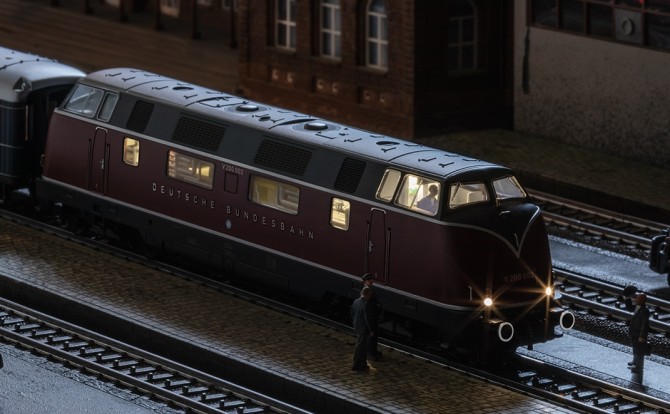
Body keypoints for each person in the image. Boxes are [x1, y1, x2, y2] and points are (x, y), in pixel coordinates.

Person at [351, 286, 373, 372]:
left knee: (362, 346)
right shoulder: (366, 304)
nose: (370, 297)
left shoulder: (356, 301)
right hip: (364, 328)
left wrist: (355, 323)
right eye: (370, 295)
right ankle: (356, 365)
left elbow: (352, 313)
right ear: (367, 294)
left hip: (357, 326)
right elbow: (367, 318)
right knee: (361, 347)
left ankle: (363, 364)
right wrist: (371, 330)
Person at [628, 292, 650, 376]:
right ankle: (635, 361)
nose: (636, 299)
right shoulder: (637, 307)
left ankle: (638, 366)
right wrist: (627, 299)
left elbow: (644, 324)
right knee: (635, 347)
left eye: (638, 299)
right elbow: (629, 308)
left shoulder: (645, 310)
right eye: (637, 298)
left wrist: (642, 336)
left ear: (643, 300)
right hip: (634, 332)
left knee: (639, 351)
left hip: (639, 333)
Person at [362, 273, 382, 360]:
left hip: (373, 315)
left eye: (371, 280)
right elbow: (367, 308)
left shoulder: (371, 289)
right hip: (370, 315)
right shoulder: (366, 291)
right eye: (369, 280)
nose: (372, 281)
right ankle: (370, 353)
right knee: (371, 335)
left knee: (374, 335)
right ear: (365, 281)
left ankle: (374, 351)